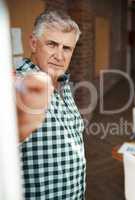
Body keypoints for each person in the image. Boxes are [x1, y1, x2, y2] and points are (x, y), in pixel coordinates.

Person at [16, 10, 86, 199]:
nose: (59, 56)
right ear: (33, 43)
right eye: (51, 44)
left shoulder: (62, 82)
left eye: (66, 48)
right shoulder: (20, 85)